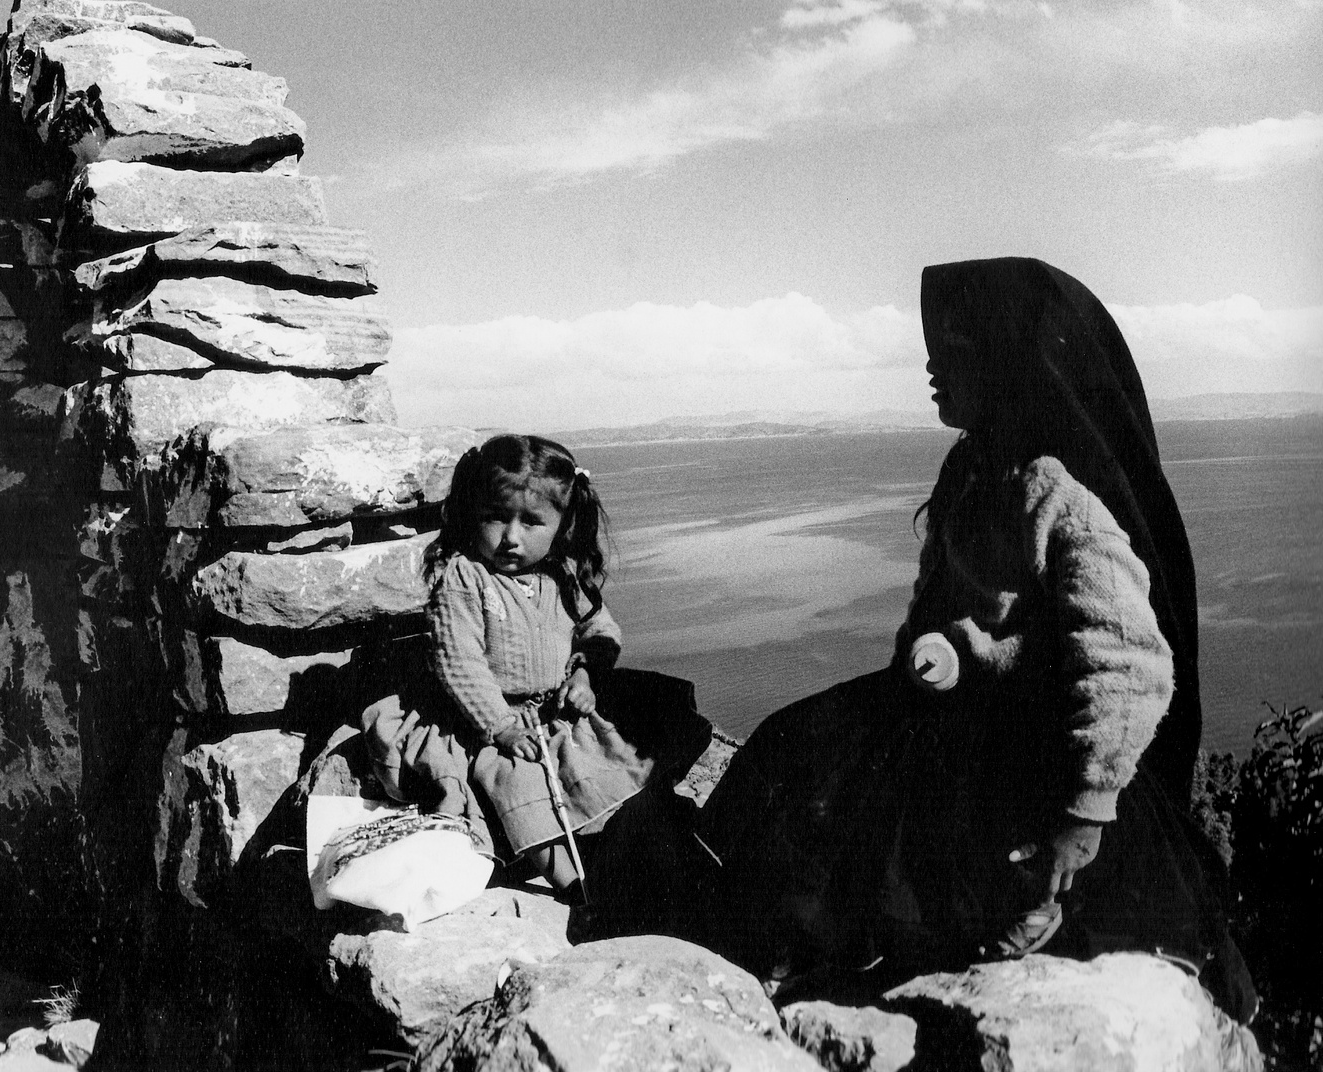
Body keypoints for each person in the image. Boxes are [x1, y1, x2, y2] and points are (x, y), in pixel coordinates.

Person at [696, 257, 1255, 1021]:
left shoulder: (1061, 497)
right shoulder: (975, 469)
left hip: (1037, 745)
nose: (930, 368)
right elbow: (968, 605)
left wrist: (1085, 812)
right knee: (796, 744)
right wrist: (943, 648)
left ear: (1009, 365)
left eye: (952, 351)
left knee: (962, 854)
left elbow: (1127, 660)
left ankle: (995, 931)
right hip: (963, 710)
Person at [364, 434, 674, 904]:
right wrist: (502, 728)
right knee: (518, 780)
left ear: (560, 524)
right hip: (481, 722)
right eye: (496, 517)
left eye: (531, 522)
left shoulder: (562, 576)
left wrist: (584, 674)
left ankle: (612, 846)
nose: (511, 536)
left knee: (612, 759)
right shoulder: (464, 578)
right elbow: (460, 664)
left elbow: (602, 630)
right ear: (473, 513)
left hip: (548, 711)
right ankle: (574, 886)